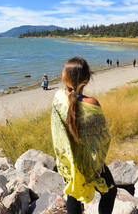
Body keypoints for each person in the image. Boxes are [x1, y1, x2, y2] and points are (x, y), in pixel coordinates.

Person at [51, 56, 117, 214]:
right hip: (90, 162)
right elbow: (103, 137)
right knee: (110, 191)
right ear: (87, 79)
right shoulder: (92, 104)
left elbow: (56, 131)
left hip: (68, 160)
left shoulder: (58, 97)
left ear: (64, 76)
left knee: (73, 192)